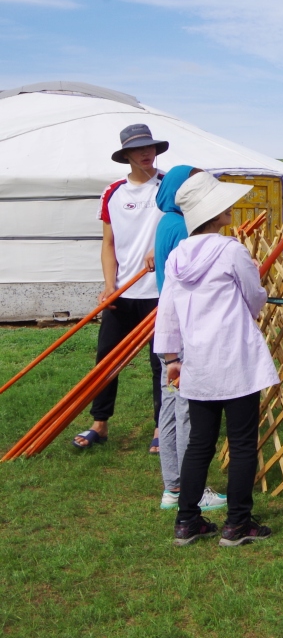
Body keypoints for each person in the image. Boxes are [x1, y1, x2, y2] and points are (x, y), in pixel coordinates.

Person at [157, 172, 279, 547]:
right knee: (242, 443)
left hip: (198, 362)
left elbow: (168, 312)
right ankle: (237, 524)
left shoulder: (178, 257)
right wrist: (252, 303)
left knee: (200, 444)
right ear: (215, 210)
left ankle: (187, 521)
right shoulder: (232, 251)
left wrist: (170, 358)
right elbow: (254, 295)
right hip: (236, 359)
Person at [74, 124, 167, 452]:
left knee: (162, 361)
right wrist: (108, 285)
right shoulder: (113, 192)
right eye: (139, 149)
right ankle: (100, 423)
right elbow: (108, 242)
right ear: (126, 155)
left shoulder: (169, 186)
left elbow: (187, 226)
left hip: (159, 291)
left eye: (151, 147)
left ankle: (161, 427)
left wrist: (162, 245)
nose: (147, 153)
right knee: (106, 358)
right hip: (122, 293)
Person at [152, 165, 227, 512]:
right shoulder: (183, 225)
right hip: (183, 326)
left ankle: (172, 486)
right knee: (185, 408)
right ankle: (189, 490)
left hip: (166, 325)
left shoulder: (165, 221)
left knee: (169, 406)